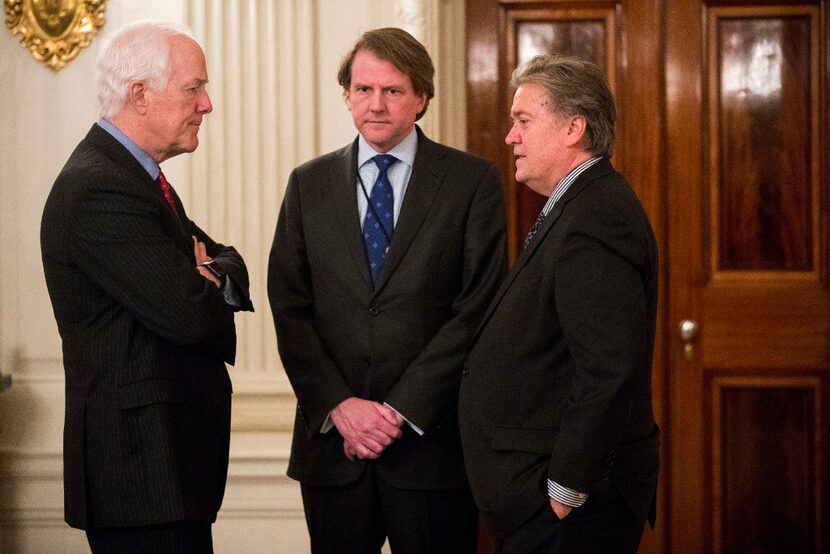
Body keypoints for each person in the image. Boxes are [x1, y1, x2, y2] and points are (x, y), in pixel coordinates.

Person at [267, 27, 507, 554]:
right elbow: (289, 308)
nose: (376, 105)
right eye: (363, 89)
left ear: (421, 98)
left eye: (393, 91)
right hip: (335, 450)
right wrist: (340, 406)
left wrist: (397, 411)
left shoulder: (471, 184)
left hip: (431, 449)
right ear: (348, 95)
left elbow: (477, 311)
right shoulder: (307, 185)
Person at [40, 20, 254, 553]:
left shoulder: (136, 178)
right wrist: (199, 278)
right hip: (139, 474)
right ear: (139, 94)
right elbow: (189, 313)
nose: (206, 104)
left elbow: (230, 262)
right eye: (193, 87)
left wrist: (208, 272)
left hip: (165, 470)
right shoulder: (99, 185)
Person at [458, 54, 659, 553]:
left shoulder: (596, 216)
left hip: (566, 510)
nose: (511, 137)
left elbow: (608, 370)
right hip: (544, 502)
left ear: (574, 128)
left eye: (523, 121)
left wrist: (563, 492)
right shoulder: (578, 204)